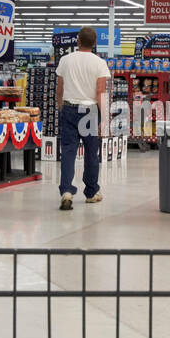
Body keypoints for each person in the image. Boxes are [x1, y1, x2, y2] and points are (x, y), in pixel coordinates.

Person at [55, 26, 111, 210]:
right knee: (91, 153)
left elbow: (60, 89)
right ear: (95, 43)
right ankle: (91, 192)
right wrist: (105, 119)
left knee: (69, 152)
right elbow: (101, 92)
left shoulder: (65, 60)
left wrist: (61, 107)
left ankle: (66, 191)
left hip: (69, 108)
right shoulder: (99, 63)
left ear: (78, 41)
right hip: (90, 111)